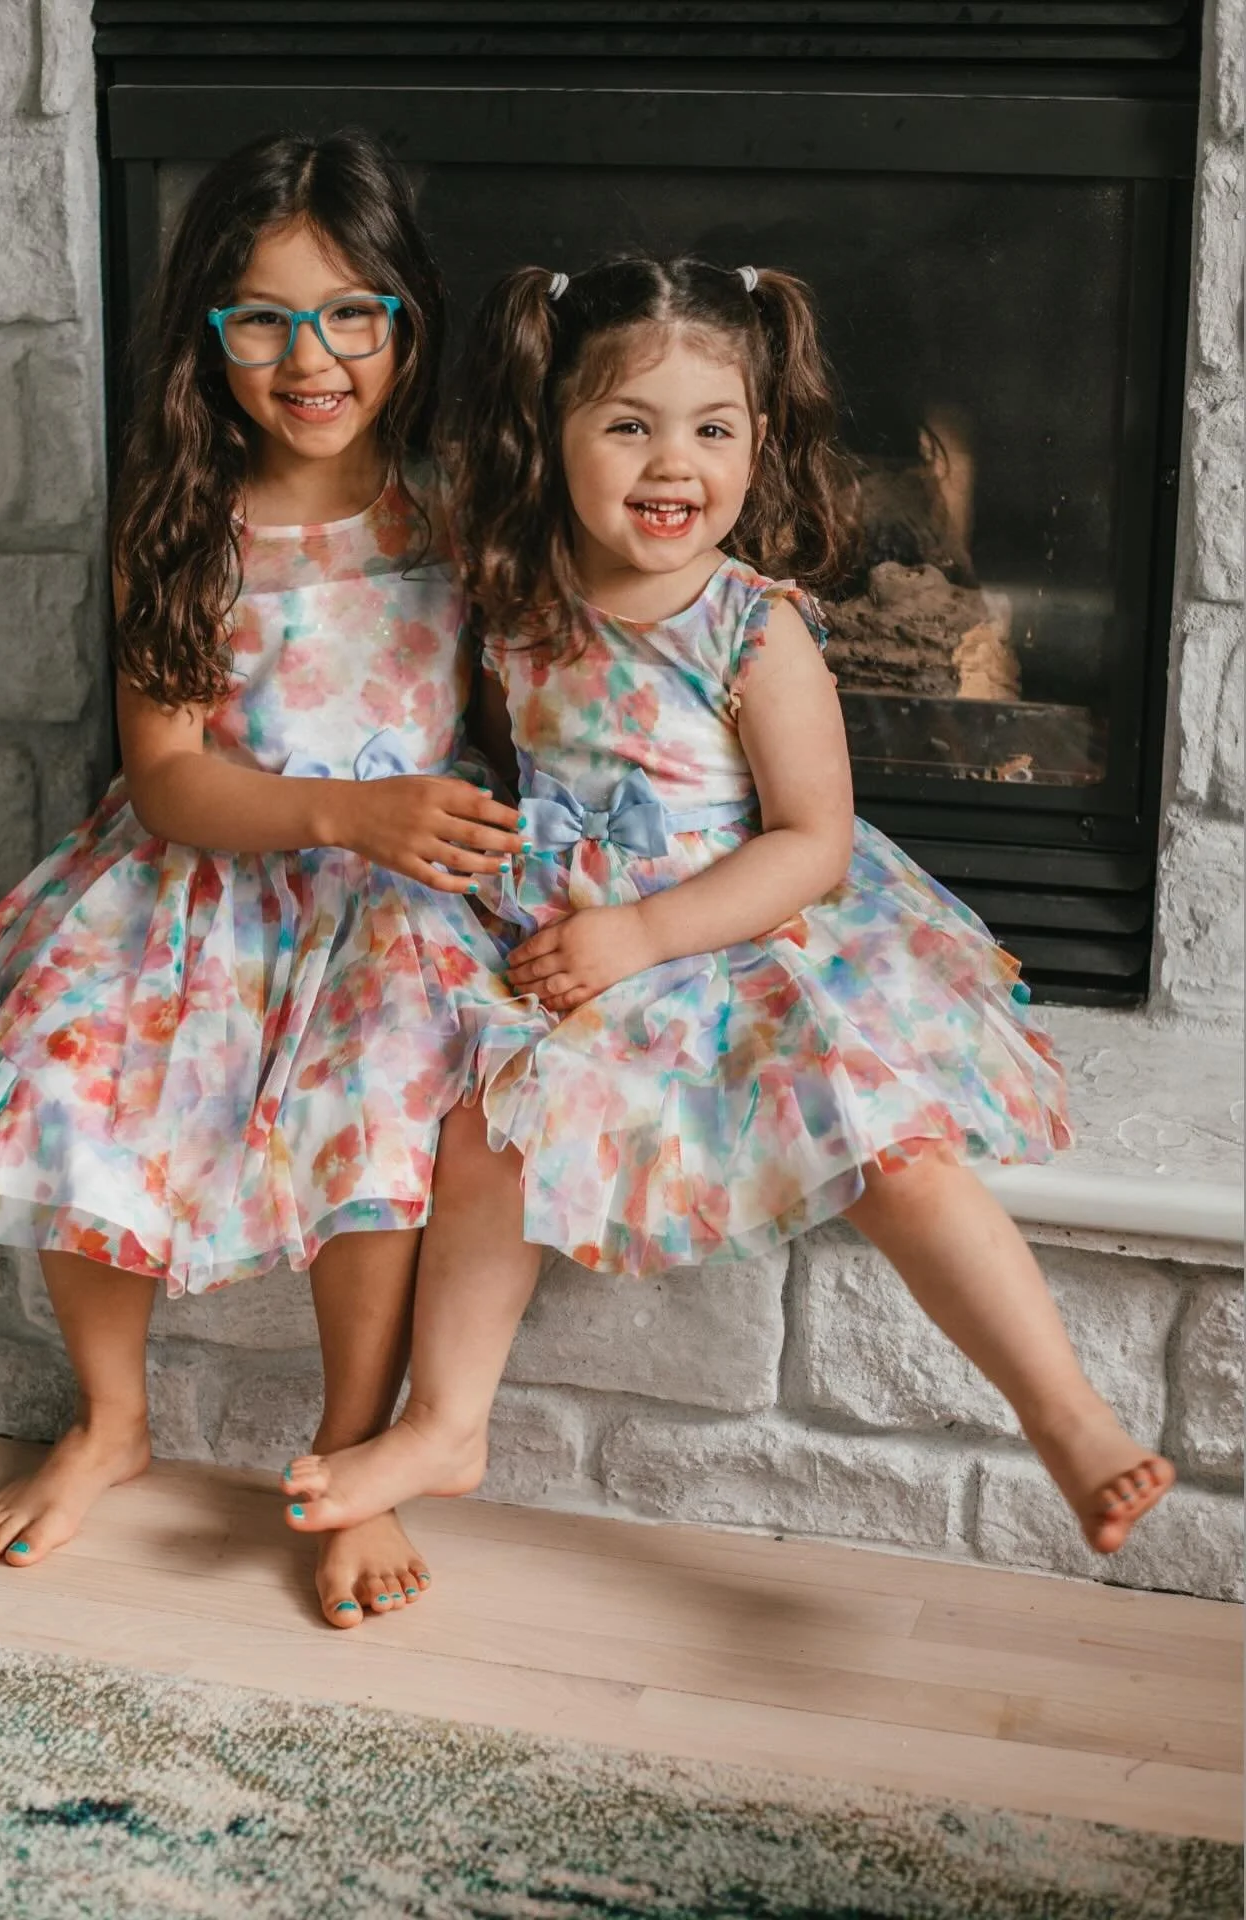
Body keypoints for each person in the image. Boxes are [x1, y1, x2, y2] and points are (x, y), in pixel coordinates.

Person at [281, 254, 1173, 1557]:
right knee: (485, 1132)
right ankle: (446, 1419)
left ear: (762, 440)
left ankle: (1067, 1416)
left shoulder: (757, 630)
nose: (671, 463)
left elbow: (812, 841)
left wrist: (641, 933)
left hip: (738, 924)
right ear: (552, 434)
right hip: (570, 934)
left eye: (713, 428)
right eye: (628, 426)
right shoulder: (520, 605)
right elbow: (516, 759)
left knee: (894, 1145)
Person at [0, 130, 525, 1626]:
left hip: (393, 898)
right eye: (260, 315)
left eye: (349, 312)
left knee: (389, 1095)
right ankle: (112, 1421)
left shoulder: (459, 503)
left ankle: (353, 1451)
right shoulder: (187, 510)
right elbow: (170, 774)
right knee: (82, 1073)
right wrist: (349, 813)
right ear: (210, 332)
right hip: (211, 860)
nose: (307, 357)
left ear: (408, 316)